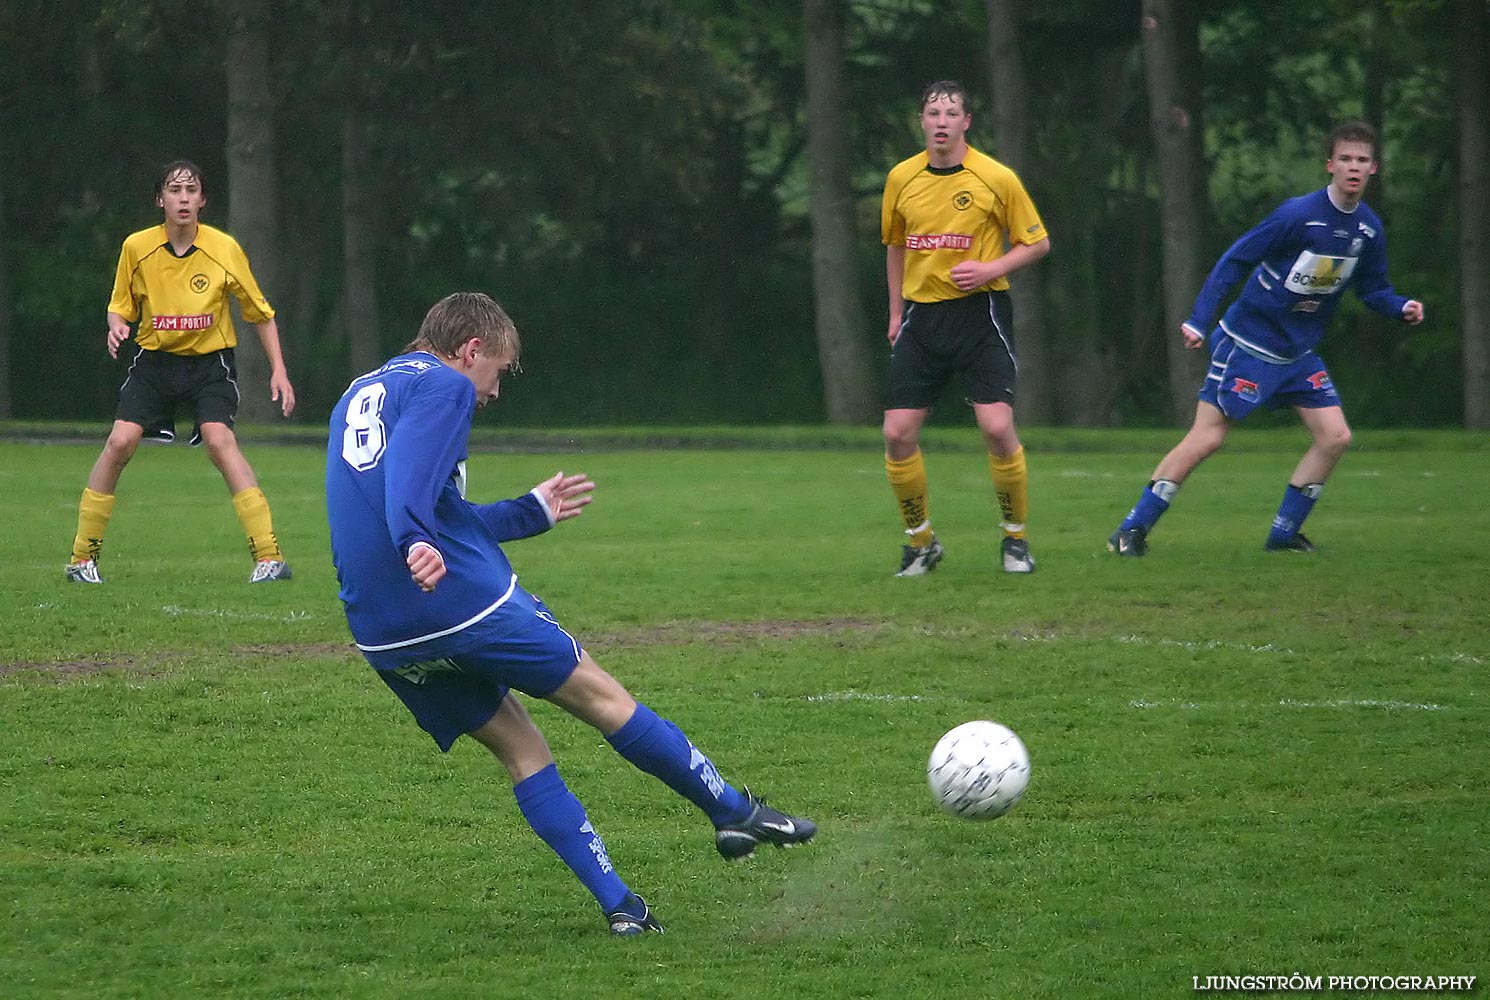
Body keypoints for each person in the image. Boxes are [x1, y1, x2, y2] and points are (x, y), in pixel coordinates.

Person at [325, 292, 817, 936]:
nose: (495, 390)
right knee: (606, 701)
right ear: (470, 350)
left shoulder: (363, 391)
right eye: (497, 370)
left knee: (523, 750)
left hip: (382, 630)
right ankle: (730, 809)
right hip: (457, 599)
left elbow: (427, 507)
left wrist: (528, 512)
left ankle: (622, 908)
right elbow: (411, 496)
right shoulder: (447, 386)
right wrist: (415, 538)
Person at [1108, 121, 1424, 557]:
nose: (1353, 167)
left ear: (1374, 168)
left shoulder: (1368, 229)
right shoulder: (1297, 215)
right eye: (1346, 159)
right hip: (1249, 344)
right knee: (1208, 438)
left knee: (1335, 437)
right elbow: (1235, 260)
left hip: (1298, 353)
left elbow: (1373, 289)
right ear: (1330, 165)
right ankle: (1130, 530)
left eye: (1362, 160)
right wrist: (1200, 321)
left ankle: (1282, 537)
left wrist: (1400, 307)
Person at [65, 160, 296, 584]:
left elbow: (261, 314)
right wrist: (116, 324)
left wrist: (278, 370)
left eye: (192, 190)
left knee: (219, 440)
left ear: (203, 200)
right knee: (120, 441)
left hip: (210, 365)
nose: (184, 198)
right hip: (155, 362)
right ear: (160, 200)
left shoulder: (224, 249)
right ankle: (82, 559)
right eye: (175, 190)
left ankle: (270, 557)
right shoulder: (137, 247)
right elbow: (120, 304)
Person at [880, 80, 1051, 578]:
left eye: (951, 113)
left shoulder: (996, 178)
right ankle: (921, 544)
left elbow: (1037, 243)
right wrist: (894, 313)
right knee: (897, 434)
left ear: (967, 122)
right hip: (921, 317)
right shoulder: (901, 178)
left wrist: (990, 267)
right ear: (921, 122)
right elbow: (894, 246)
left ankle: (1015, 541)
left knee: (997, 428)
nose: (941, 121)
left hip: (981, 314)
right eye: (932, 112)